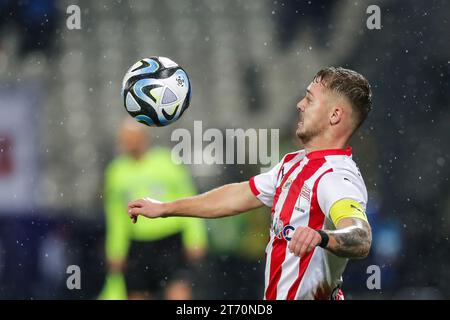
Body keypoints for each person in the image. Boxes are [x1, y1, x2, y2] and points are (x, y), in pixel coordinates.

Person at [127, 67, 373, 300]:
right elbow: (238, 195)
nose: (300, 105)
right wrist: (166, 208)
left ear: (335, 115)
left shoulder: (336, 177)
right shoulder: (293, 163)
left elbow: (360, 236)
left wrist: (322, 237)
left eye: (309, 99)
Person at [100, 118, 207, 300]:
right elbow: (116, 215)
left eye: (130, 138)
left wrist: (195, 237)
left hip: (170, 238)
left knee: (178, 291)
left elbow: (188, 199)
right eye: (124, 139)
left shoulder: (167, 163)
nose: (126, 144)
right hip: (138, 242)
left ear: (143, 138)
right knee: (137, 294)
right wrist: (115, 250)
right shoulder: (116, 172)